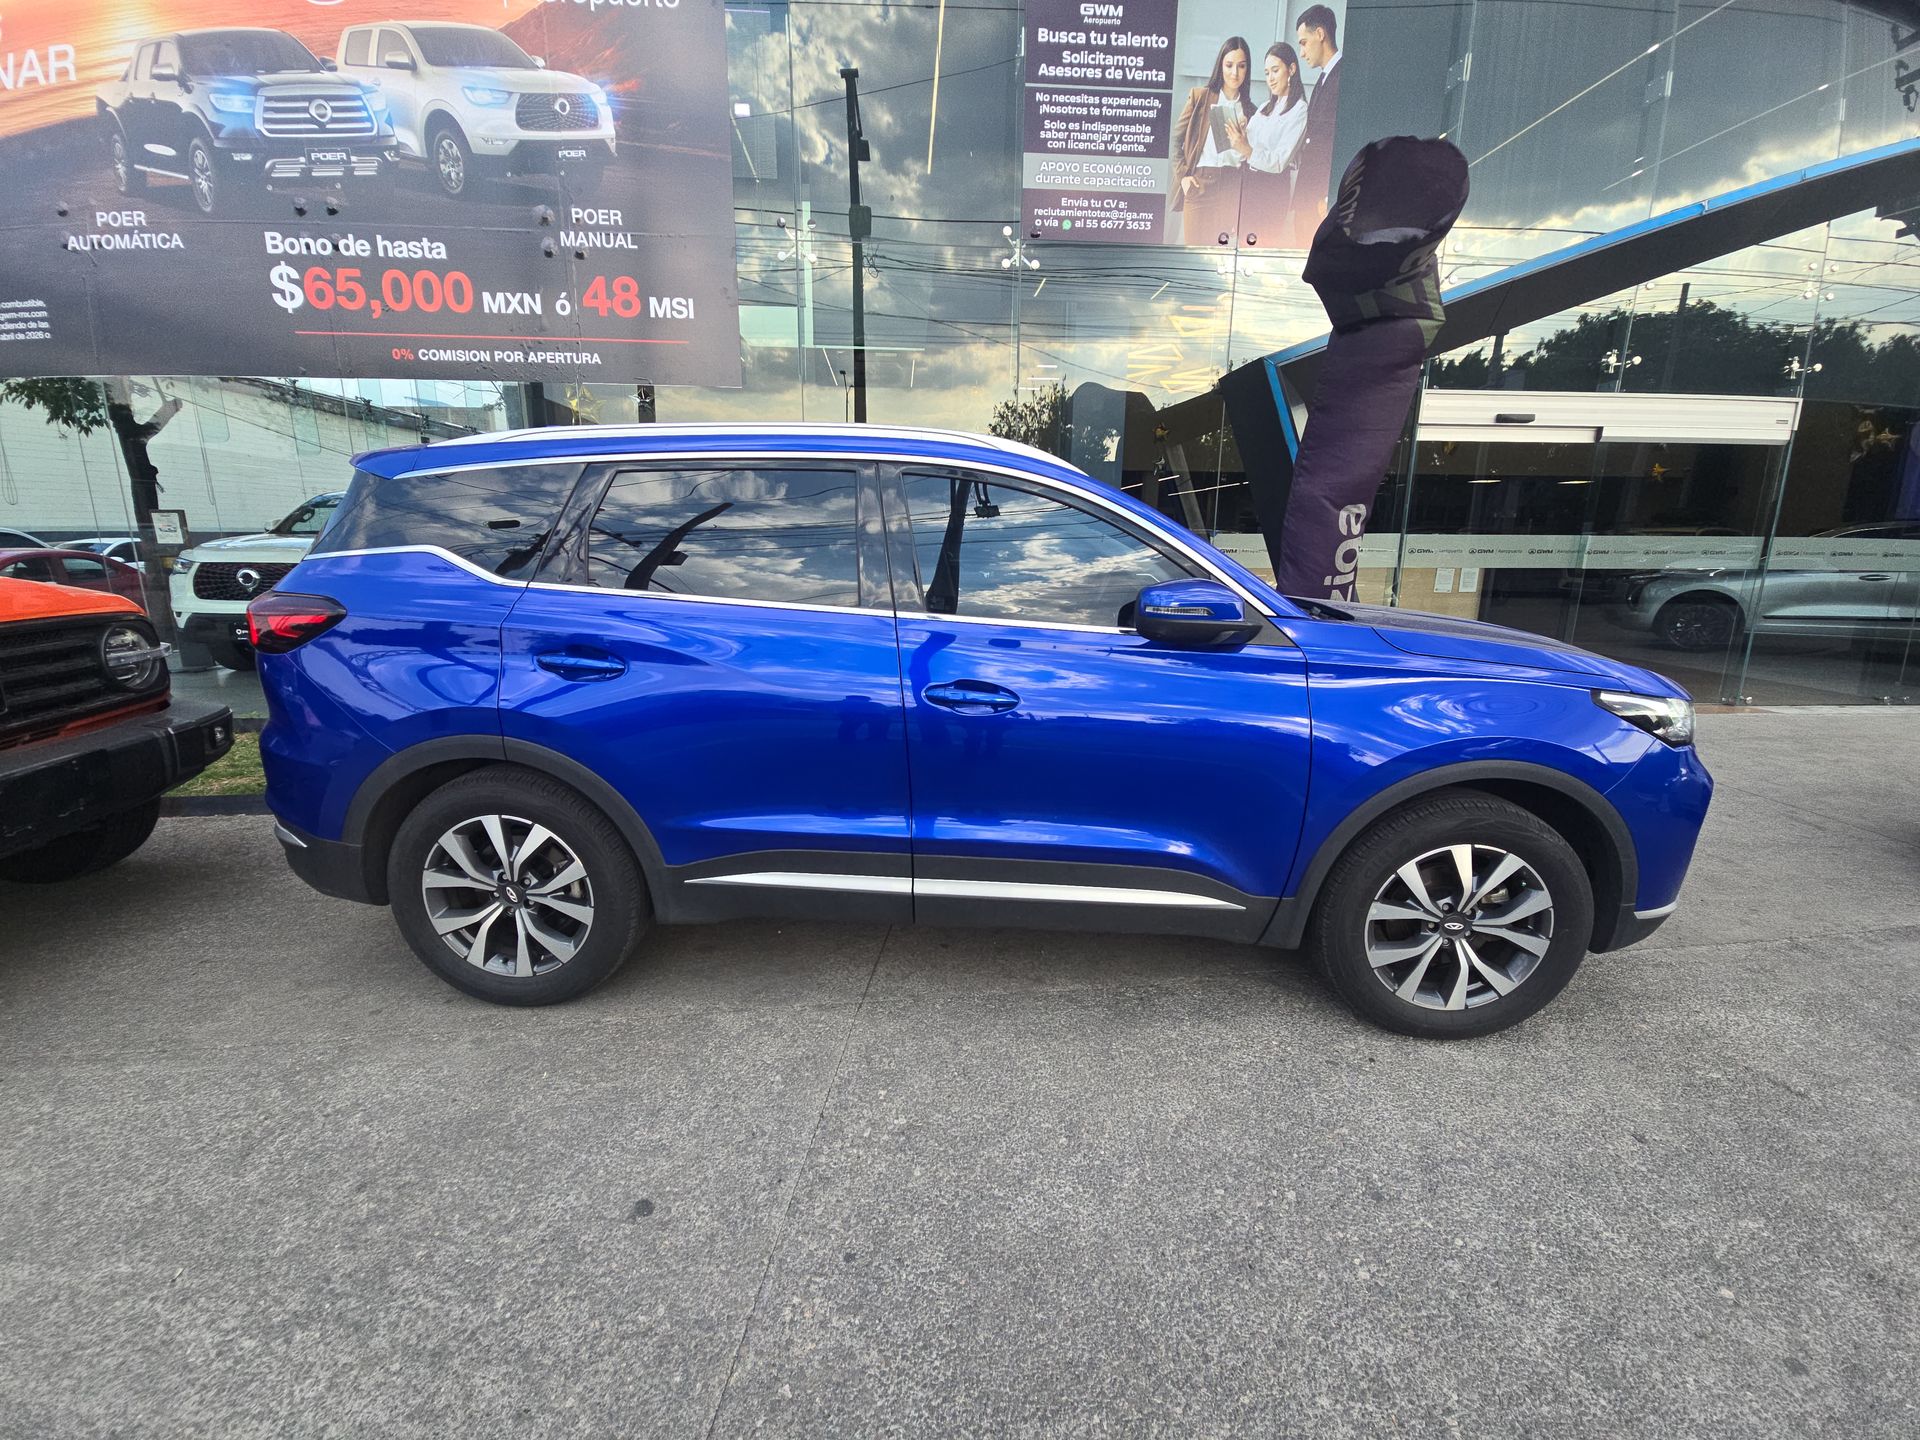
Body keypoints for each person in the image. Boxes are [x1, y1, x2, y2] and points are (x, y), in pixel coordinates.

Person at [1171, 36, 1256, 246]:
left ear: (1247, 69)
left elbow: (1252, 159)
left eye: (1241, 66)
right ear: (1221, 66)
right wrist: (1184, 177)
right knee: (1194, 254)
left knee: (1219, 257)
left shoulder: (1252, 111)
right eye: (1229, 65)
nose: (1235, 73)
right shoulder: (1200, 97)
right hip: (1200, 183)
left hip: (1231, 188)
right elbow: (1175, 140)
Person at [1226, 42, 1308, 246]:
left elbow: (1279, 161)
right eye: (1266, 73)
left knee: (1261, 248)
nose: (1270, 78)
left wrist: (1247, 149)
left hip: (1271, 190)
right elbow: (1245, 150)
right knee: (1242, 247)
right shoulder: (1264, 107)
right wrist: (1241, 134)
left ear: (1291, 69)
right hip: (1249, 184)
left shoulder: (1299, 110)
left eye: (1275, 70)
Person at [1293, 4, 1343, 244]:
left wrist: (1330, 194)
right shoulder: (1324, 78)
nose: (1302, 52)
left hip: (1321, 201)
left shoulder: (1343, 77)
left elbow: (1338, 142)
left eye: (1304, 43)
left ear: (1320, 34)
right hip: (1310, 196)